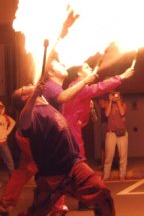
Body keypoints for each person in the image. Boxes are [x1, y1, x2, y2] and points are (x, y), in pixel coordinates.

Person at [0, 59, 96, 216]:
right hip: (34, 136)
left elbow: (65, 100)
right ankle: (54, 206)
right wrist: (85, 81)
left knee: (37, 168)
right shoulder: (49, 86)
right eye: (57, 63)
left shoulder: (52, 86)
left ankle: (8, 205)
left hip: (40, 135)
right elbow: (62, 97)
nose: (63, 63)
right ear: (50, 72)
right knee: (47, 167)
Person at [17, 84, 115, 216]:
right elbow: (23, 122)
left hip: (73, 166)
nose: (29, 84)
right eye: (25, 88)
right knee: (36, 212)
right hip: (52, 175)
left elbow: (65, 97)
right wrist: (34, 96)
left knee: (102, 195)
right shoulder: (32, 114)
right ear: (25, 97)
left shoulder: (49, 106)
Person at [62, 63, 134, 159]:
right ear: (79, 73)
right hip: (71, 125)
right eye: (87, 67)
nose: (91, 68)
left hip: (72, 124)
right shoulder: (78, 87)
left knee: (75, 156)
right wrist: (122, 76)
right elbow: (100, 87)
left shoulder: (76, 85)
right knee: (79, 157)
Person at [102, 91, 129, 181]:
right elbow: (106, 114)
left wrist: (118, 102)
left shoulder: (123, 104)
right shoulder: (107, 103)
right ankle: (106, 176)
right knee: (109, 156)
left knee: (123, 155)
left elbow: (122, 113)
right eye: (114, 95)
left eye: (117, 95)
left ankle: (122, 175)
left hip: (122, 133)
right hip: (111, 133)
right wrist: (110, 101)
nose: (116, 96)